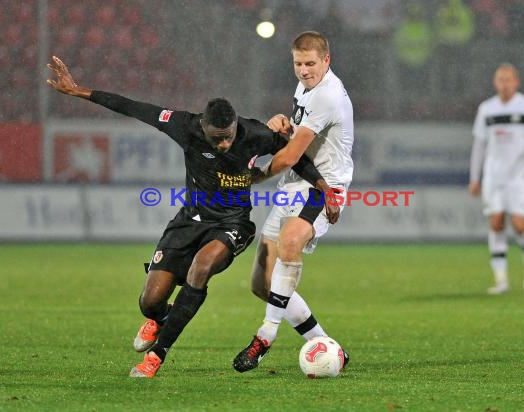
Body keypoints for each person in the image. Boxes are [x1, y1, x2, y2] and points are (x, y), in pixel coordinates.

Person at [46, 55, 340, 378]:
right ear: (203, 127)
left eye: (229, 135)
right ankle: (160, 320)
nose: (226, 143)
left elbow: (295, 158)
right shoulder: (185, 126)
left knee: (200, 269)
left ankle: (157, 356)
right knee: (150, 301)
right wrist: (79, 91)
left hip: (233, 224)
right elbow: (134, 107)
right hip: (189, 221)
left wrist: (324, 186)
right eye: (218, 139)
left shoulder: (253, 133)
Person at [233, 31, 354, 372]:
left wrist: (256, 175)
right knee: (263, 284)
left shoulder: (327, 95)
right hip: (294, 185)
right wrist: (284, 125)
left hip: (324, 187)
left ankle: (265, 336)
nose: (303, 70)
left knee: (289, 245)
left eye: (310, 63)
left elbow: (288, 157)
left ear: (326, 60)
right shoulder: (306, 88)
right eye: (298, 64)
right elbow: (298, 140)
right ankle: (327, 345)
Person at [469, 63, 524, 295]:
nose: (504, 84)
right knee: (496, 223)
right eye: (500, 79)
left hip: (518, 175)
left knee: (520, 226)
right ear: (495, 83)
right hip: (494, 175)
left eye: (508, 79)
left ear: (516, 82)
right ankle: (501, 279)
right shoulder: (486, 109)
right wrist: (475, 177)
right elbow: (479, 145)